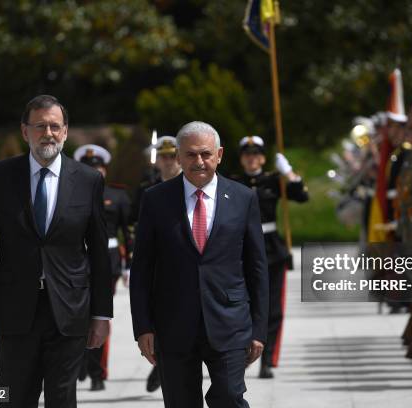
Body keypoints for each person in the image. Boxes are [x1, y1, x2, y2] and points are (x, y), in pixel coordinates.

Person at [0, 95, 113, 407]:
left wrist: (101, 313)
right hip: (15, 310)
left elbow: (99, 253)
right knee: (13, 398)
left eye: (55, 126)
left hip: (70, 311)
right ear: (25, 131)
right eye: (40, 126)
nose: (48, 133)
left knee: (62, 399)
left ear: (66, 131)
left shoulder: (88, 181)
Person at [129, 121, 269, 408]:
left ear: (219, 155)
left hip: (229, 322)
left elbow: (256, 267)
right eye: (191, 155)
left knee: (230, 396)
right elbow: (142, 268)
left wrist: (258, 329)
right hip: (173, 324)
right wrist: (143, 327)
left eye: (206, 154)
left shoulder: (243, 198)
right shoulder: (155, 200)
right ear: (178, 157)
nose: (199, 161)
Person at [232, 136, 308, 378]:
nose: (252, 159)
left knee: (273, 307)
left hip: (271, 249)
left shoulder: (274, 181)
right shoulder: (233, 182)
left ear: (263, 158)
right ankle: (243, 353)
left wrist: (290, 174)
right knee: (243, 305)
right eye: (247, 154)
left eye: (256, 154)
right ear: (242, 158)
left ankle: (268, 359)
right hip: (242, 249)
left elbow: (301, 196)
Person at [74, 144, 133, 391]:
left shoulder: (117, 196)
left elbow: (127, 233)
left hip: (107, 262)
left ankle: (98, 372)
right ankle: (79, 364)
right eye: (88, 168)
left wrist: (129, 265)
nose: (94, 172)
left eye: (98, 167)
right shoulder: (71, 194)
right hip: (76, 262)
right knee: (76, 316)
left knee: (99, 316)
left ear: (105, 169)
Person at [129, 135, 182, 393]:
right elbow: (133, 224)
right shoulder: (146, 188)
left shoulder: (190, 184)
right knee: (156, 313)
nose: (169, 162)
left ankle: (164, 363)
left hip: (180, 259)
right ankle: (161, 360)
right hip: (154, 258)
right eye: (164, 157)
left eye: (173, 156)